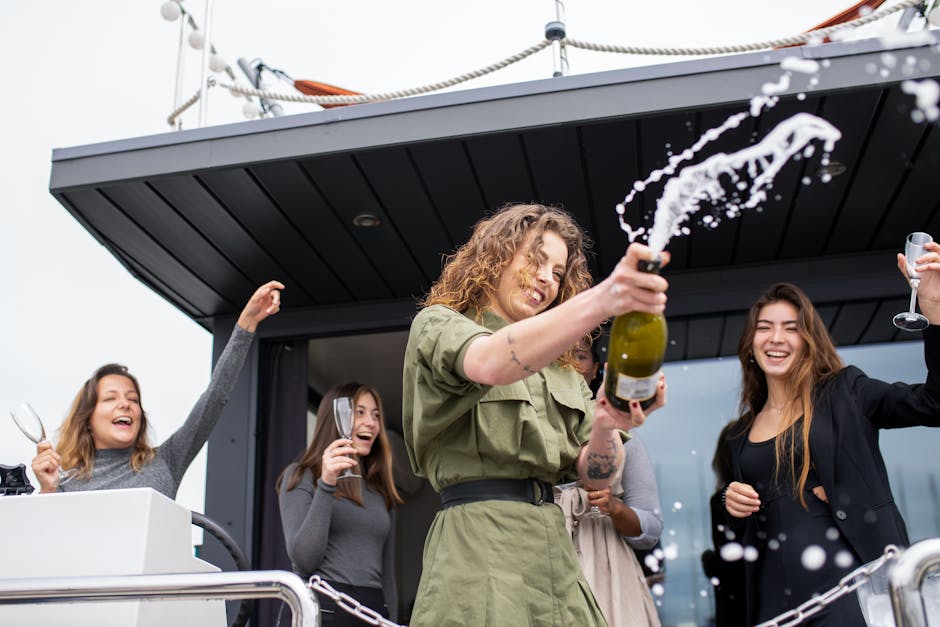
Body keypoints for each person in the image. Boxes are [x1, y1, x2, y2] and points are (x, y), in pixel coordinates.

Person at [402, 203, 670, 626]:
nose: (547, 278)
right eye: (536, 259)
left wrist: (606, 426)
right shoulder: (439, 325)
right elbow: (490, 363)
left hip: (555, 551)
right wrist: (605, 299)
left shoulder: (563, 367)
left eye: (559, 272)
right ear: (495, 255)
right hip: (477, 546)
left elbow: (595, 477)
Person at [722, 249, 940, 626]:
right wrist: (731, 501)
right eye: (764, 327)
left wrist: (934, 312)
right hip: (773, 601)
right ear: (751, 343)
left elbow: (935, 404)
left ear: (808, 339)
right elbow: (746, 524)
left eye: (791, 327)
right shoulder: (738, 436)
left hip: (854, 590)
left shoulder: (846, 391)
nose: (777, 338)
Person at [31, 281, 284, 498]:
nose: (125, 404)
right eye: (110, 398)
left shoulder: (166, 460)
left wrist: (246, 323)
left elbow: (214, 398)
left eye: (133, 399)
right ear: (86, 419)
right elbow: (46, 545)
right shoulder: (63, 482)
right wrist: (48, 491)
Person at [559, 337, 664, 627]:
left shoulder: (623, 440)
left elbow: (651, 528)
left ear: (596, 370)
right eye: (559, 355)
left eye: (579, 356)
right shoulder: (532, 433)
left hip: (607, 568)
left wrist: (615, 509)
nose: (567, 364)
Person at [277, 382, 402, 626]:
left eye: (376, 415)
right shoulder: (302, 476)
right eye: (360, 412)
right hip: (321, 609)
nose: (372, 423)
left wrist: (392, 619)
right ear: (337, 418)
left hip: (372, 611)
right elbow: (304, 560)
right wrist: (327, 484)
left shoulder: (380, 489)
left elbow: (388, 574)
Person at [700, 420, 747, 627]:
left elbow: (726, 558)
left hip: (734, 602)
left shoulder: (720, 500)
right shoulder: (765, 495)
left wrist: (709, 561)